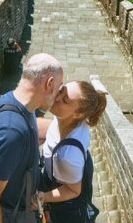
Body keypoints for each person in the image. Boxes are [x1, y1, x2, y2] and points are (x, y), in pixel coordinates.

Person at [0, 53, 64, 223]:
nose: (59, 95)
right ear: (49, 84)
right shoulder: (9, 132)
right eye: (59, 87)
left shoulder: (18, 105)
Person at [39, 81, 107, 223]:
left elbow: (73, 190)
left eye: (65, 100)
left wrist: (43, 196)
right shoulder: (67, 120)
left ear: (78, 114)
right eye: (61, 91)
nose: (57, 98)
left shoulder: (67, 156)